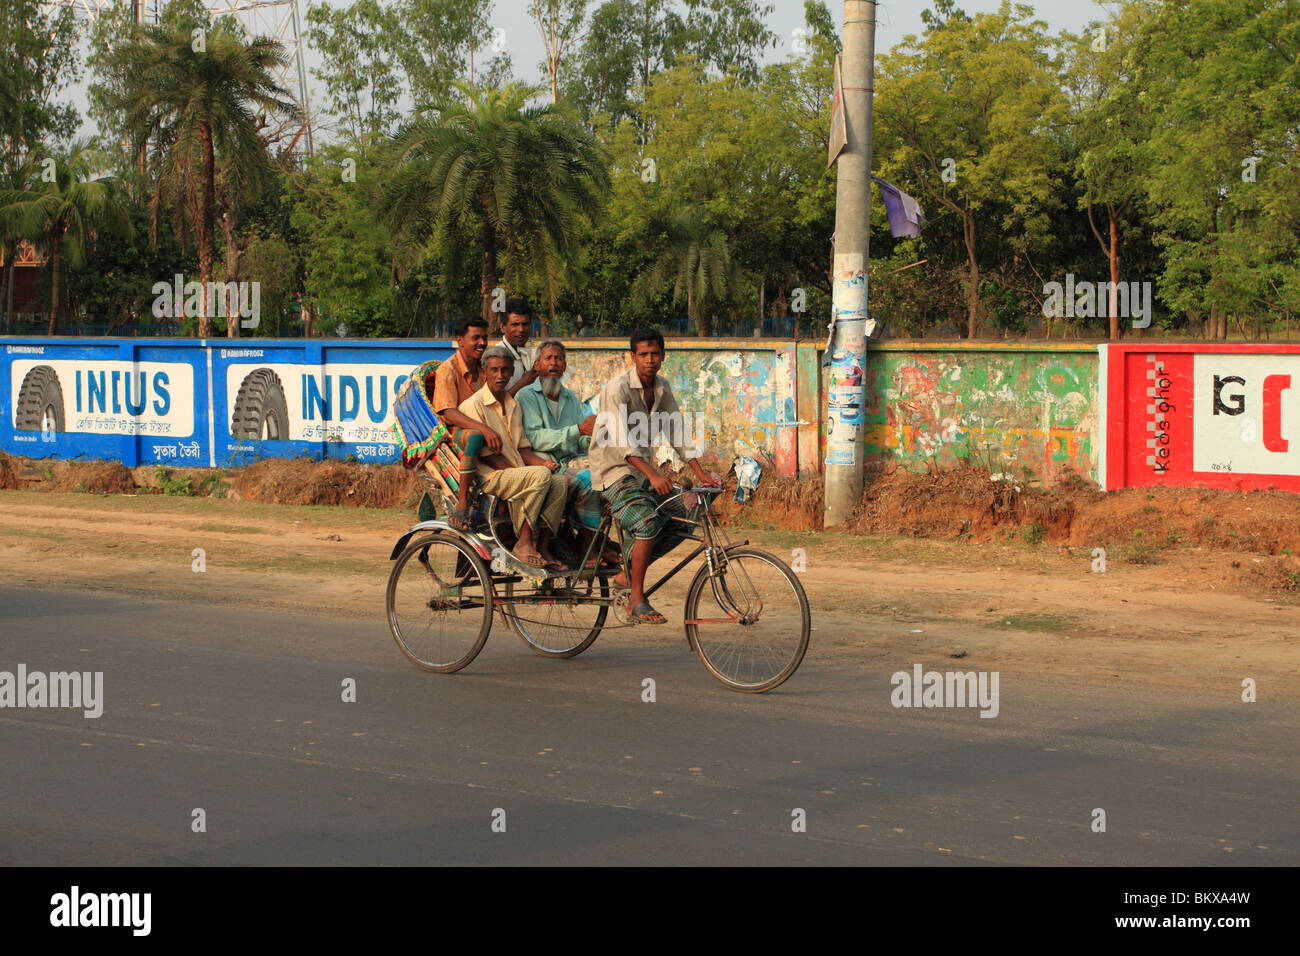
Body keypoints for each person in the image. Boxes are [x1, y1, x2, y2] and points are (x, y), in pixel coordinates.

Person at [589, 328, 721, 624]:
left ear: (663, 356)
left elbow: (677, 431)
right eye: (644, 354)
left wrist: (701, 475)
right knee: (647, 521)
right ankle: (637, 598)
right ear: (633, 357)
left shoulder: (662, 387)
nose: (650, 360)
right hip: (613, 472)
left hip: (643, 472)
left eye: (655, 354)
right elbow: (622, 441)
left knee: (689, 511)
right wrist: (655, 474)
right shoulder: (616, 388)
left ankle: (626, 574)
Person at [459, 346, 570, 571]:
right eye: (495, 370)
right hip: (492, 476)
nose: (500, 376)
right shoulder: (473, 406)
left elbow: (523, 450)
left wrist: (545, 464)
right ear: (484, 371)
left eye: (505, 371)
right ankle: (524, 541)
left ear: (511, 372)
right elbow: (489, 458)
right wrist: (533, 471)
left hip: (515, 472)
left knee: (560, 480)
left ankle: (544, 545)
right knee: (540, 476)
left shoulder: (513, 404)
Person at [515, 339, 618, 567]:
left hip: (569, 463)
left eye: (559, 358)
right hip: (541, 466)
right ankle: (586, 550)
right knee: (590, 482)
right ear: (537, 365)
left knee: (612, 476)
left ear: (565, 366)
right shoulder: (526, 396)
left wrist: (596, 435)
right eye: (548, 358)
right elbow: (534, 438)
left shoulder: (570, 397)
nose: (554, 363)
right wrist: (578, 430)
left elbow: (578, 439)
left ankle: (590, 541)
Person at [430, 315, 493, 530]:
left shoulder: (484, 369)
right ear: (460, 340)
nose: (482, 343)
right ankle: (463, 499)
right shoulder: (448, 369)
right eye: (476, 338)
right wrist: (483, 428)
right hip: (456, 433)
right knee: (475, 436)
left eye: (485, 338)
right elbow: (448, 411)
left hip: (484, 425)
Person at [499, 297, 538, 396]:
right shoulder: (497, 357)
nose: (521, 329)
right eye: (515, 324)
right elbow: (495, 404)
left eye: (525, 324)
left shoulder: (529, 354)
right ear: (503, 327)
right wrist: (522, 384)